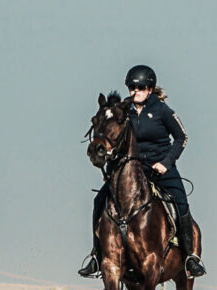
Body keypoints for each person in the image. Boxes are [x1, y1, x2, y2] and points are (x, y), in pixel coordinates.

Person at [78, 64, 206, 278]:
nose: (134, 91)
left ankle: (189, 257)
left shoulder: (162, 111)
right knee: (99, 201)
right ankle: (96, 256)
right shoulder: (123, 111)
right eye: (131, 87)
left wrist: (166, 162)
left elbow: (182, 138)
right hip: (131, 170)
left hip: (161, 169)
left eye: (140, 87)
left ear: (150, 89)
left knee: (181, 202)